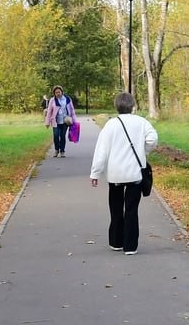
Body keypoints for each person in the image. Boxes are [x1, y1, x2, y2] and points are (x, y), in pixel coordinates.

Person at [89, 91, 158, 255]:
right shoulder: (142, 122)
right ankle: (130, 246)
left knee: (116, 208)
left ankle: (116, 241)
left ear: (116, 106)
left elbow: (101, 150)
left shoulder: (111, 125)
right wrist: (143, 152)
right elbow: (153, 139)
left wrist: (95, 173)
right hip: (135, 174)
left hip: (115, 174)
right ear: (132, 106)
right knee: (132, 210)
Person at [44, 86, 76, 157]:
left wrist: (74, 120)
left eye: (59, 92)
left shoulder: (67, 99)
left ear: (62, 92)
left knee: (62, 136)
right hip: (55, 121)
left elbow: (72, 110)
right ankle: (56, 150)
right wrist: (47, 122)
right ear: (54, 93)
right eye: (56, 92)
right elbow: (49, 112)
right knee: (56, 136)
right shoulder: (52, 100)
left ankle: (62, 151)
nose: (57, 94)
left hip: (65, 121)